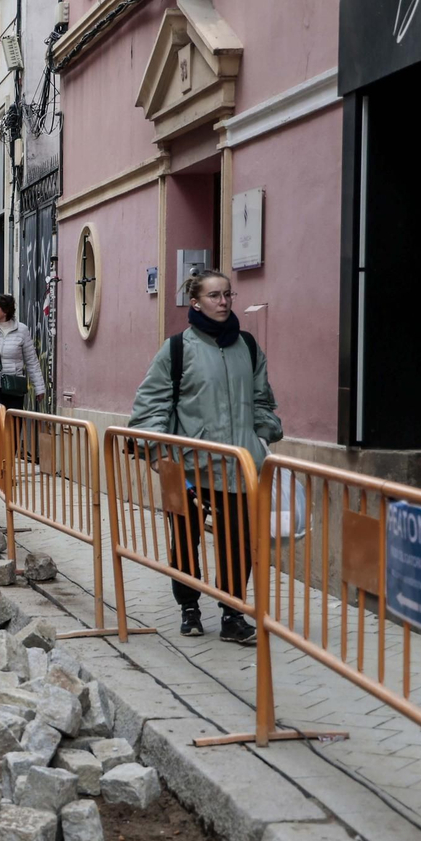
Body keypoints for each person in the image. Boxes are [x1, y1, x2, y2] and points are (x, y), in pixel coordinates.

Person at [127, 269, 279, 645]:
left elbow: (262, 399)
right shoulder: (177, 349)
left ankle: (231, 613)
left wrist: (263, 435)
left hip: (239, 465)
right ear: (195, 302)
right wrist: (160, 457)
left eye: (228, 294)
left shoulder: (247, 345)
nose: (224, 302)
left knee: (238, 542)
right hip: (189, 466)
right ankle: (189, 607)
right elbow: (151, 407)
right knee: (185, 540)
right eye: (214, 296)